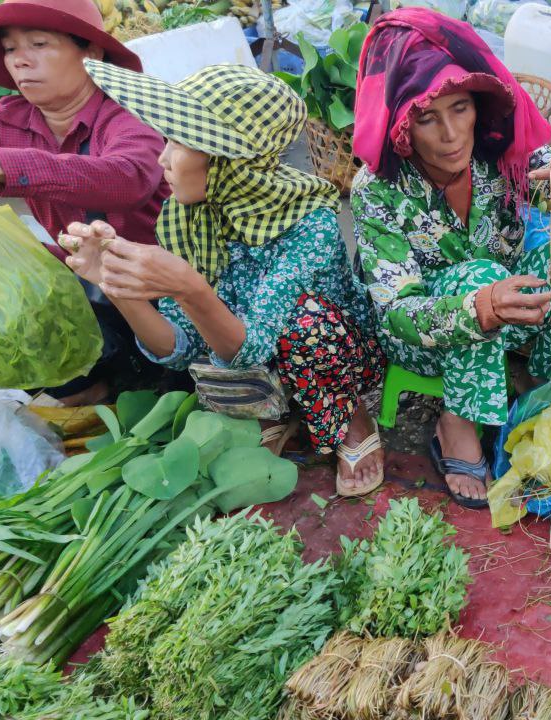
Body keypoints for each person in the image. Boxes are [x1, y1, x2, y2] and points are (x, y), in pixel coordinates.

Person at [59, 61, 386, 497]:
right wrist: (118, 285)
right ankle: (277, 412)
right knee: (220, 334)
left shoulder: (311, 223)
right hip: (251, 360)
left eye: (180, 141)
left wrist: (187, 286)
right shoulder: (184, 220)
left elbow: (250, 347)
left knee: (305, 325)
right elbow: (181, 350)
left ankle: (351, 416)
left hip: (335, 358)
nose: (163, 157)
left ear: (231, 159)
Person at [351, 7, 551, 510]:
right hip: (425, 337)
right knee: (480, 275)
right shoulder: (377, 189)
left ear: (479, 106)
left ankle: (537, 385)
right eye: (427, 117)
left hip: (509, 310)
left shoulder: (501, 151)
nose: (451, 135)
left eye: (461, 108)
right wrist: (482, 305)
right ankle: (457, 421)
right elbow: (397, 312)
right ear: (403, 124)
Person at [0, 0, 169, 406]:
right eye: (11, 49)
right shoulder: (5, 122)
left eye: (39, 44)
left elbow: (129, 176)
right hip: (84, 276)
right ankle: (84, 390)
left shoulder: (132, 110)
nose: (21, 62)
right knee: (2, 300)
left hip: (163, 284)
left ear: (91, 52)